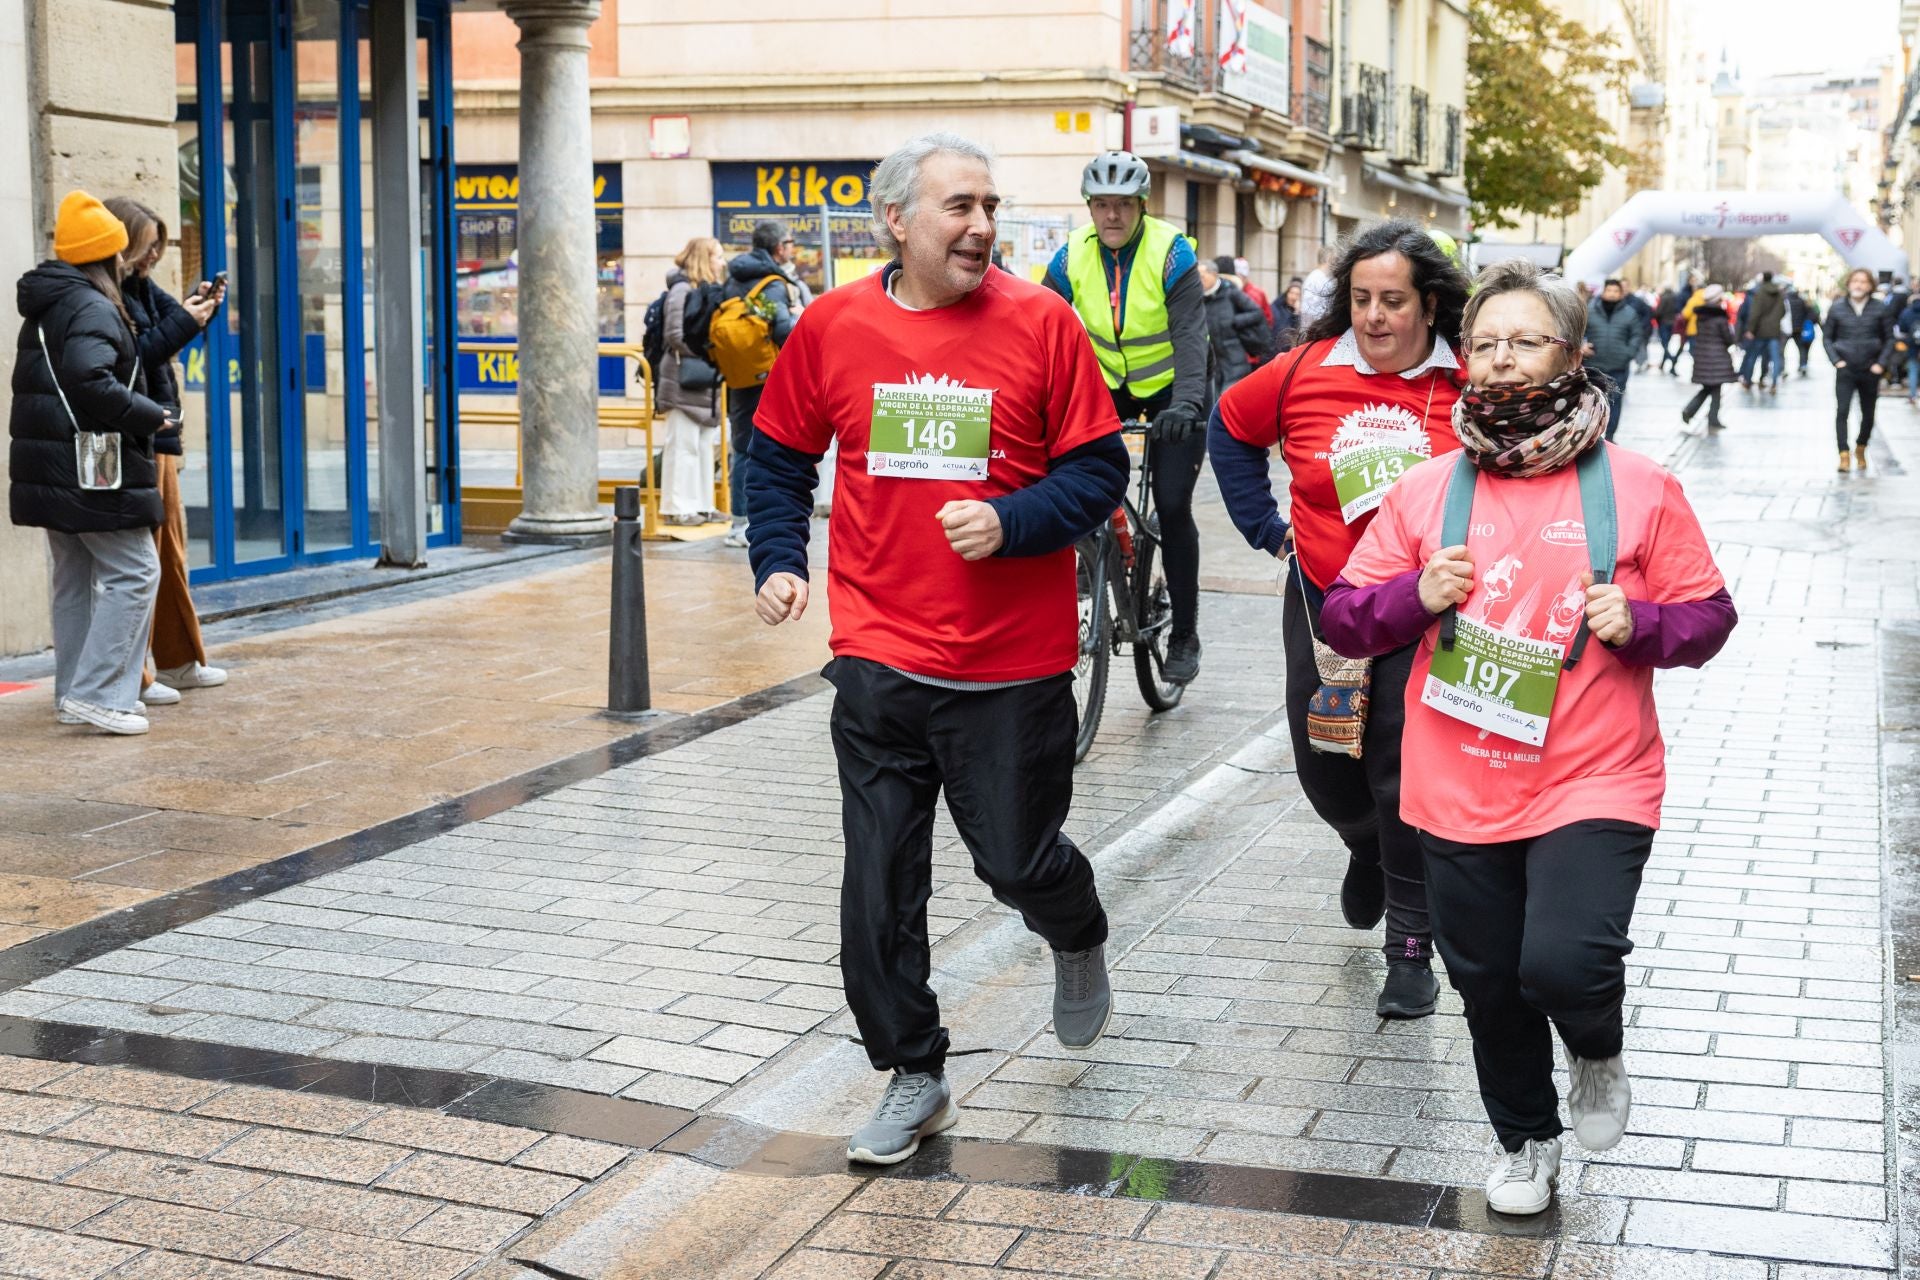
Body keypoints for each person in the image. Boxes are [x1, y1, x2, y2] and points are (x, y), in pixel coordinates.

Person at [1319, 257, 1735, 1217]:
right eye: (1488, 345)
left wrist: (1646, 622)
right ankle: (1522, 1139)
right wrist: (1410, 597)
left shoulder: (1641, 486)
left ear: (1575, 355)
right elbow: (1345, 618)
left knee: (1562, 961)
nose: (1503, 364)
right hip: (1458, 781)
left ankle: (1595, 1045)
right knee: (1488, 979)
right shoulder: (1426, 491)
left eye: (1526, 343)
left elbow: (1710, 616)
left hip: (1595, 775)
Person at [745, 133, 1126, 1166]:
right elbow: (776, 458)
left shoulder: (1041, 322)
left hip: (1012, 666)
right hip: (878, 654)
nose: (982, 226)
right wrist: (777, 558)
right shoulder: (832, 326)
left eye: (991, 206)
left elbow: (1099, 472)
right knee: (876, 889)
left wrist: (1015, 521)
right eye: (959, 206)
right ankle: (915, 1071)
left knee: (1015, 860)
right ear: (897, 221)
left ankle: (1077, 926)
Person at [1210, 220, 1469, 1019]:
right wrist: (1265, 526)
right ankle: (1365, 845)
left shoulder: (1466, 382)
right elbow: (1229, 426)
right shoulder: (1304, 372)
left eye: (1393, 301)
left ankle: (1411, 949)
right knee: (1326, 767)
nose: (1375, 317)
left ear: (1430, 304)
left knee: (1399, 775)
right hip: (1327, 600)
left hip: (1428, 612)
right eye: (1360, 299)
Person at [1043, 151, 1210, 684]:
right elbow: (1038, 329)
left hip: (1170, 392)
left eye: (1122, 205)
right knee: (1075, 476)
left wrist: (1187, 403)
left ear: (1141, 206)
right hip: (1106, 387)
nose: (1112, 215)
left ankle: (1184, 630)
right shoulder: (1070, 257)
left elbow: (1188, 335)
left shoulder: (1170, 252)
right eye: (1101, 205)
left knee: (1173, 505)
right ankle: (1091, 559)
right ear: (1090, 208)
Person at [10, 191, 169, 735]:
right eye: (122, 254)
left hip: (56, 464)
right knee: (136, 570)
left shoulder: (53, 302)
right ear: (104, 256)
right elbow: (89, 379)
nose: (127, 263)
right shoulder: (90, 305)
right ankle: (100, 695)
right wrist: (152, 416)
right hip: (91, 461)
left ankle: (75, 694)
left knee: (74, 578)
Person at [102, 197, 228, 701]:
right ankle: (137, 675)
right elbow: (131, 358)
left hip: (159, 432)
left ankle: (177, 661)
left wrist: (199, 308)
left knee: (169, 554)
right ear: (126, 241)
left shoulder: (135, 286)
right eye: (149, 246)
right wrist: (182, 322)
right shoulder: (104, 292)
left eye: (160, 246)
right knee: (142, 559)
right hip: (136, 431)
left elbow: (165, 333)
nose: (154, 256)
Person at [720, 219, 801, 547]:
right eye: (791, 242)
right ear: (779, 248)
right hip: (766, 374)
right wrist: (800, 320)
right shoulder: (773, 283)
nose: (794, 248)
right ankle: (751, 523)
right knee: (766, 449)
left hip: (739, 373)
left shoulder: (734, 278)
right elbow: (783, 329)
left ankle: (737, 521)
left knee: (741, 448)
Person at [657, 236, 727, 524]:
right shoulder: (682, 290)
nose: (722, 263)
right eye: (718, 256)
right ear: (704, 259)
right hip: (682, 379)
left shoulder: (702, 289)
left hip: (699, 380)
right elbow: (674, 334)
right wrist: (704, 354)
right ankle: (676, 507)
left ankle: (701, 504)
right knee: (682, 445)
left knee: (700, 447)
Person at [1824, 268, 1896, 472]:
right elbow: (1827, 337)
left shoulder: (1880, 308)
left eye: (1863, 281)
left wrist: (1880, 364)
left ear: (1870, 285)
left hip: (1870, 369)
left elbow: (1889, 338)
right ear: (1848, 283)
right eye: (1855, 281)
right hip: (1845, 368)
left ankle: (1861, 447)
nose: (1858, 285)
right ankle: (1843, 454)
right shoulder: (1837, 308)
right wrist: (1836, 360)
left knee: (1868, 413)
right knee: (1842, 411)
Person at [1197, 259, 1270, 393]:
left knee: (1226, 402)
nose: (1199, 281)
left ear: (1213, 274)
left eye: (1201, 276)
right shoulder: (1198, 298)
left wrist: (1234, 321)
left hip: (1235, 362)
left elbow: (1257, 312)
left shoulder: (1230, 292)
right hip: (1213, 366)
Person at [1583, 279, 1641, 441]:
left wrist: (1628, 353)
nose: (1612, 294)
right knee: (1591, 402)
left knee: (1615, 402)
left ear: (1621, 293)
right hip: (1593, 365)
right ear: (1604, 291)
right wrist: (1582, 346)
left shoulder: (1629, 313)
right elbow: (1579, 331)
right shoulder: (1590, 310)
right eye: (1609, 290)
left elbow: (1636, 335)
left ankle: (1610, 436)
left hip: (1618, 366)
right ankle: (1591, 435)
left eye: (1616, 291)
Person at [1680, 284, 1738, 431]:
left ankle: (1690, 411)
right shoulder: (1720, 318)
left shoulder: (1701, 316)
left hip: (1703, 356)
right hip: (1717, 358)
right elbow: (1728, 338)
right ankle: (1712, 418)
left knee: (1708, 388)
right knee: (1715, 389)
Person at [1737, 272, 1786, 393]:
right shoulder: (1779, 293)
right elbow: (1783, 311)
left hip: (1760, 331)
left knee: (1752, 356)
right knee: (1774, 358)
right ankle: (1774, 383)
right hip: (1774, 331)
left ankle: (1747, 381)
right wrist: (1775, 321)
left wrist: (1750, 329)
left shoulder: (1760, 292)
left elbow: (1755, 312)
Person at [1299, 244, 1338, 330]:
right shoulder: (1317, 279)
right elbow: (1310, 311)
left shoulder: (1321, 278)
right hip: (1317, 330)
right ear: (1328, 259)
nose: (1336, 263)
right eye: (1335, 259)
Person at [1654, 279, 1688, 375]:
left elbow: (1658, 311)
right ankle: (1664, 364)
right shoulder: (1675, 297)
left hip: (1664, 323)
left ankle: (1671, 359)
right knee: (1667, 344)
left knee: (1665, 344)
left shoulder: (1664, 297)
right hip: (1673, 323)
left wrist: (1656, 317)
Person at [1787, 285, 1819, 377]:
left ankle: (1782, 368)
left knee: (1781, 349)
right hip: (1800, 329)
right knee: (1802, 348)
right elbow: (1814, 316)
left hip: (1789, 328)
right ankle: (1803, 364)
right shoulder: (1803, 302)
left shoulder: (1786, 301)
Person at [1898, 290, 1920, 406]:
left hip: (1912, 346)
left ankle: (1912, 395)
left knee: (1913, 370)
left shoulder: (1907, 312)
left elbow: (1901, 329)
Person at [1272, 280, 1303, 354]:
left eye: (1297, 294)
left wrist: (1296, 313)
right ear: (1287, 293)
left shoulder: (1298, 313)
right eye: (1291, 293)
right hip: (1274, 350)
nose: (1293, 297)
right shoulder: (1276, 307)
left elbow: (1295, 333)